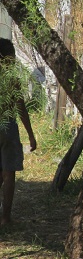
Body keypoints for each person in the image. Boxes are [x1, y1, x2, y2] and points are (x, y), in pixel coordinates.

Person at [0, 38, 37, 226]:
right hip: (7, 126)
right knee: (8, 173)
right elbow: (20, 106)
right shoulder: (11, 78)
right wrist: (30, 134)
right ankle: (5, 217)